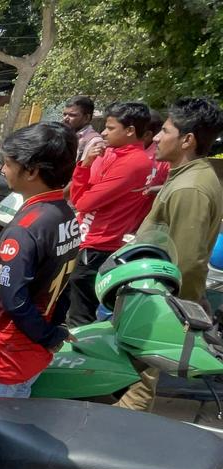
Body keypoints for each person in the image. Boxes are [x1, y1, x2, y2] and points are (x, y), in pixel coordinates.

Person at [0, 122, 80, 397]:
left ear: (32, 171)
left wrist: (49, 336)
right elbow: (65, 282)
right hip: (26, 357)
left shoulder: (26, 228)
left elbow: (14, 299)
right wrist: (53, 331)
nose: (3, 169)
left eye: (8, 163)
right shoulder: (65, 216)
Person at [118, 98, 223, 412]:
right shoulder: (189, 177)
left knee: (139, 385)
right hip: (157, 298)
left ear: (187, 140)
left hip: (160, 304)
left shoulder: (189, 188)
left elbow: (186, 262)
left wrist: (172, 312)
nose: (156, 138)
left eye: (165, 131)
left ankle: (120, 437)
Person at [65, 102, 158, 326]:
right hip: (89, 237)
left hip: (97, 244)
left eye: (110, 128)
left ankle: (81, 348)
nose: (104, 133)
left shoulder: (133, 163)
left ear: (130, 130)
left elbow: (83, 202)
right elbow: (82, 195)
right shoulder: (112, 154)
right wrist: (88, 166)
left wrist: (84, 166)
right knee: (70, 305)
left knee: (79, 314)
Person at [63, 96, 102, 162]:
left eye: (72, 115)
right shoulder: (64, 134)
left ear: (86, 118)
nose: (65, 119)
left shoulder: (94, 141)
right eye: (64, 114)